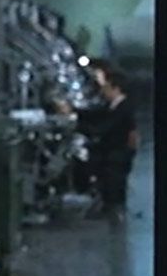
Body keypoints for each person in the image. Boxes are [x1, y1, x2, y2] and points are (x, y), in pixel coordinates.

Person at [59, 61, 138, 223]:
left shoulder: (123, 109)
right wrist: (74, 111)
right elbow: (94, 114)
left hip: (116, 154)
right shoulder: (113, 105)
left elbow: (102, 128)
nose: (102, 90)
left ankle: (112, 208)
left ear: (115, 88)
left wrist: (76, 125)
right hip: (110, 150)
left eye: (106, 87)